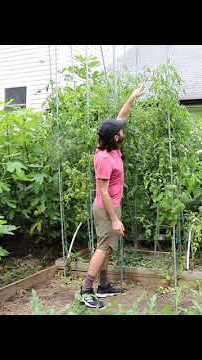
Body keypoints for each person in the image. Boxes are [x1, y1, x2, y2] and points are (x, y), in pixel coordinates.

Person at [79, 86, 143, 309]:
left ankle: (104, 285)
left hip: (112, 206)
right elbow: (103, 191)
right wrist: (115, 219)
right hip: (106, 208)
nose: (123, 130)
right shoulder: (104, 158)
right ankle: (86, 289)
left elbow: (121, 116)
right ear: (115, 137)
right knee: (103, 247)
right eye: (120, 131)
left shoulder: (112, 147)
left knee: (106, 246)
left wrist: (132, 97)